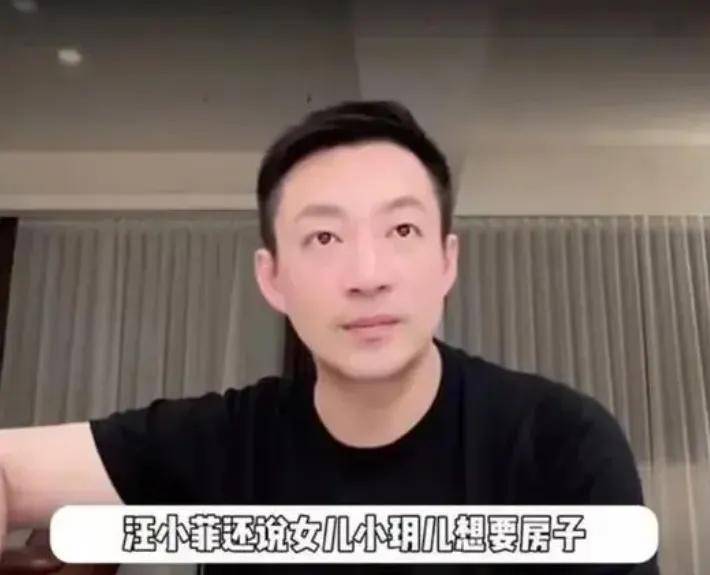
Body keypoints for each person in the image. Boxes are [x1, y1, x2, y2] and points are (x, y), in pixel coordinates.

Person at [0, 101, 658, 574]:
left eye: (402, 231)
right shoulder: (225, 440)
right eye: (323, 237)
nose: (367, 276)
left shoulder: (560, 444)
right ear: (273, 278)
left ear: (447, 261)